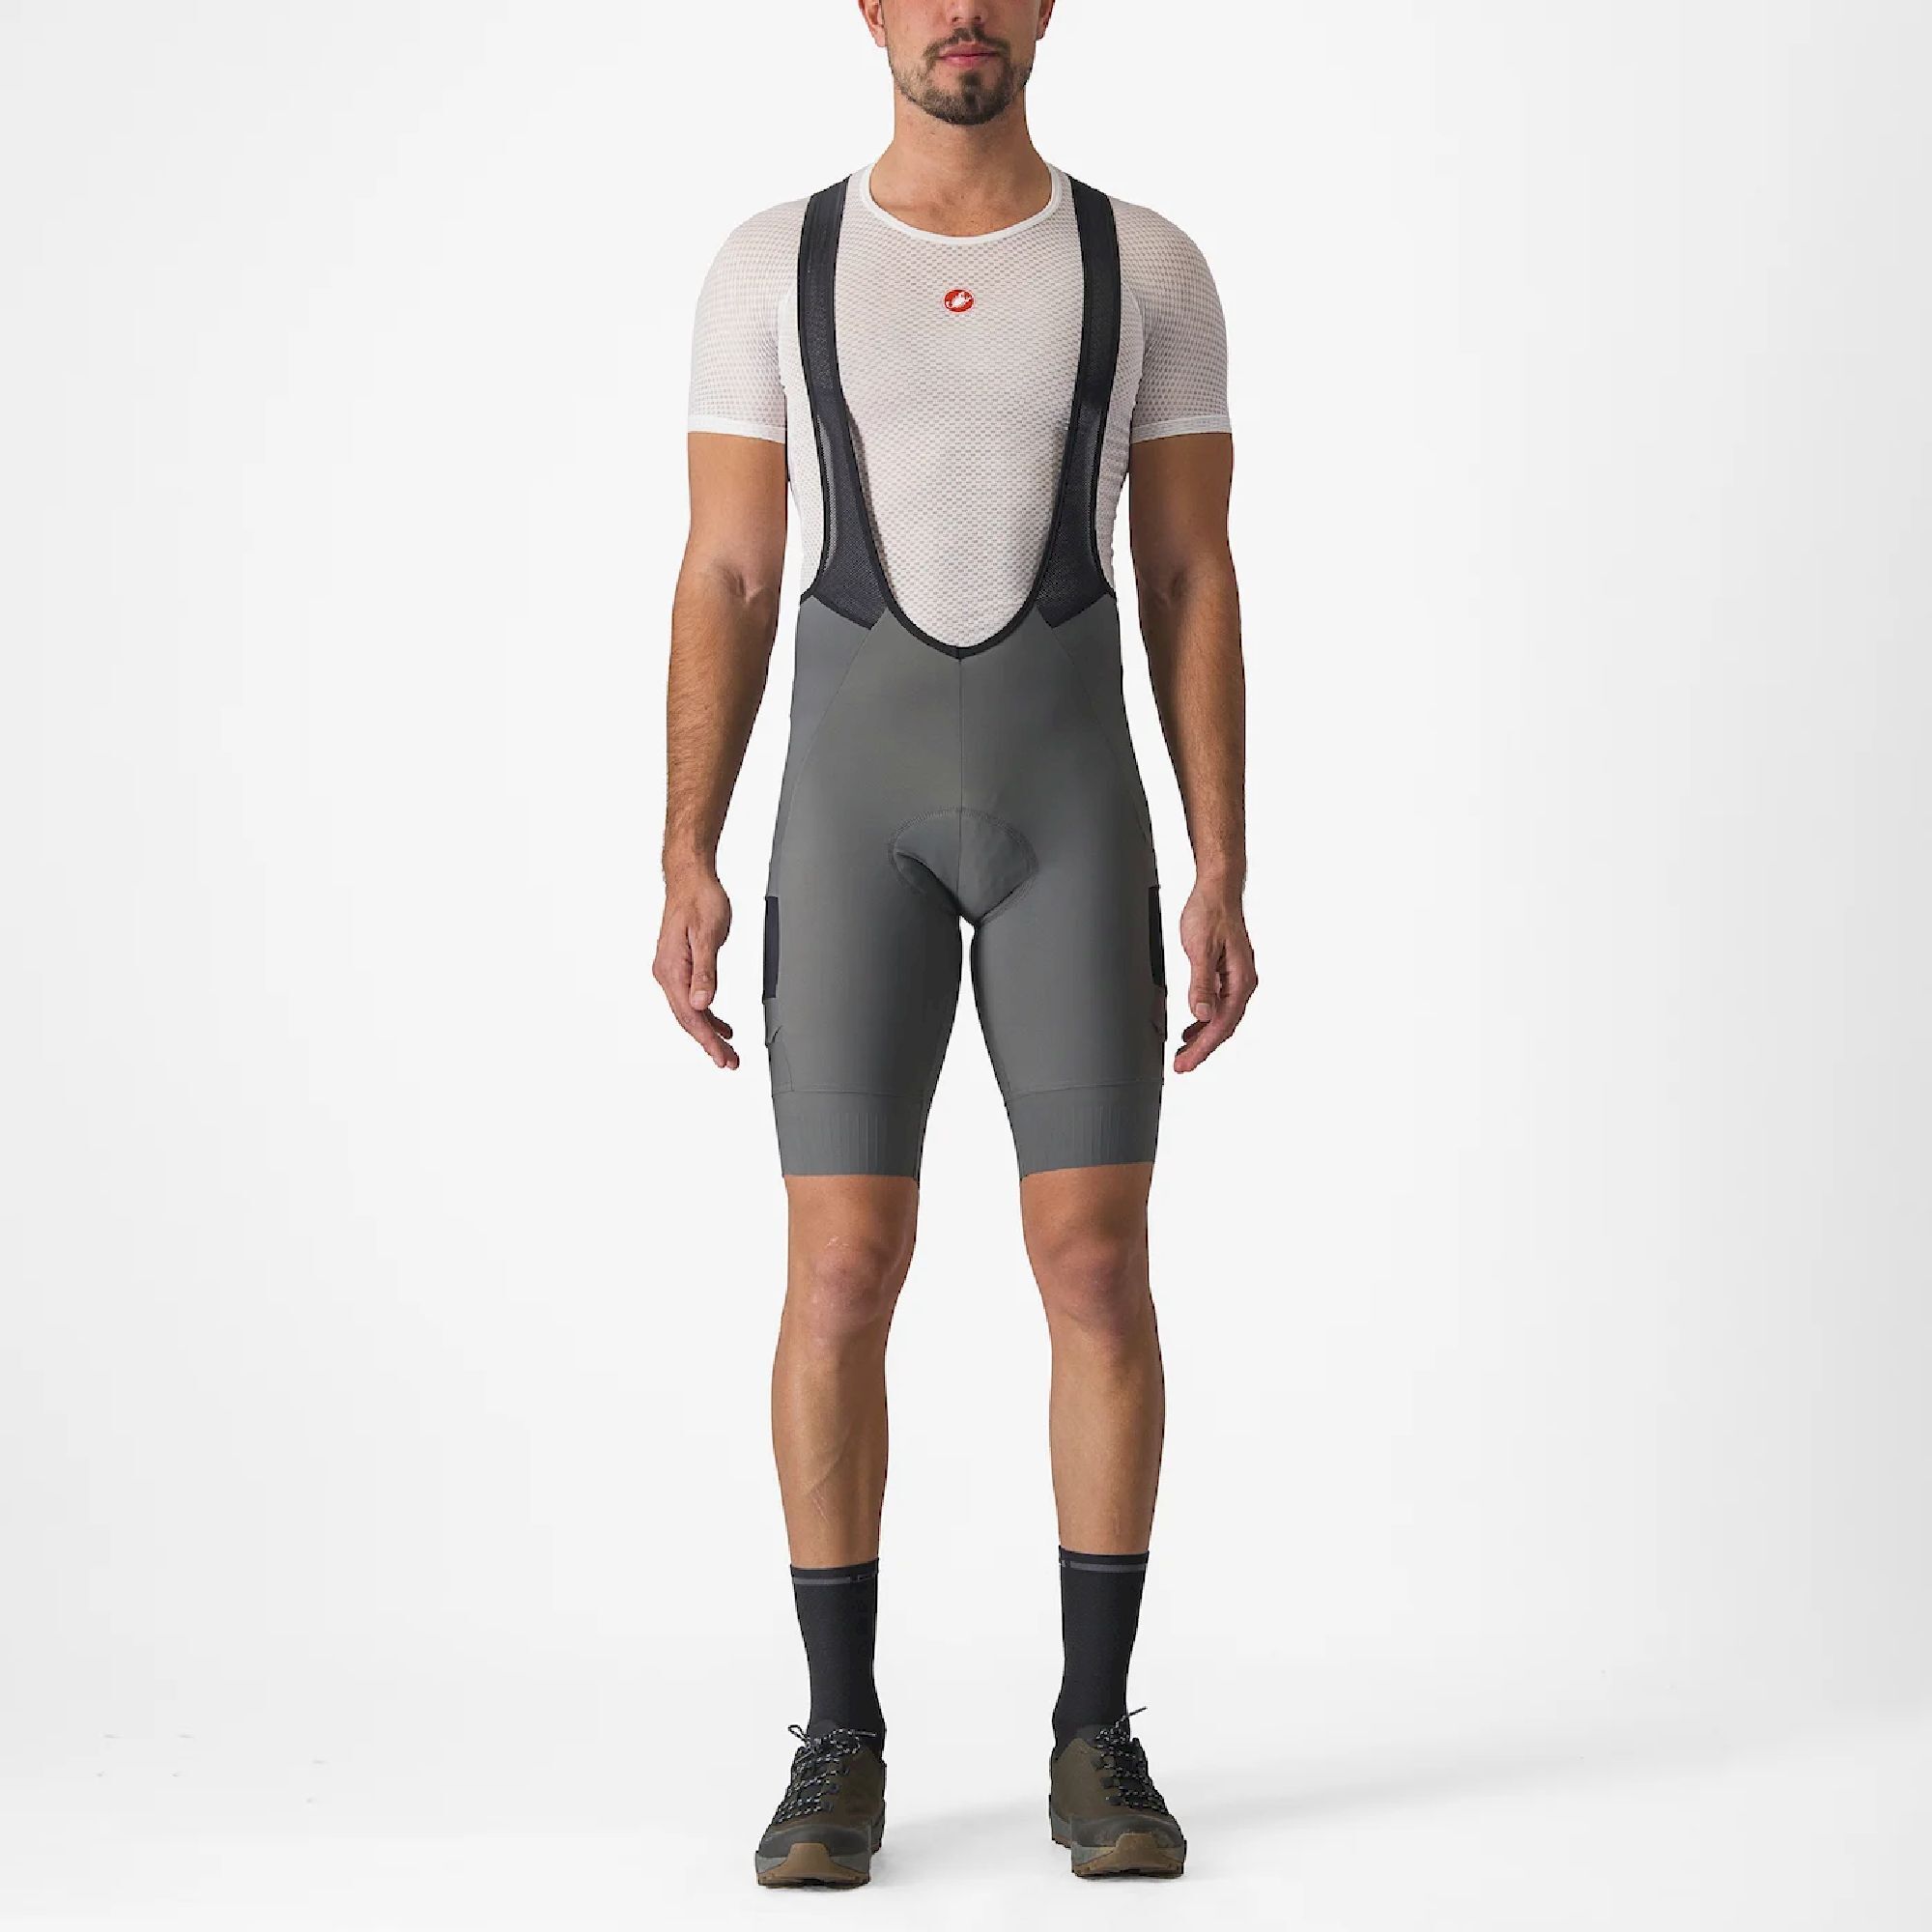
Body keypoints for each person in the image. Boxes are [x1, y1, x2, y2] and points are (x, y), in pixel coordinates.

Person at [659, 0, 1255, 1887]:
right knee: (842, 1267)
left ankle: (1098, 1735)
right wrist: (683, 849)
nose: (963, 13)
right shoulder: (775, 264)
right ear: (870, 10)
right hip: (853, 823)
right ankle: (838, 1738)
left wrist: (1221, 859)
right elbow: (729, 566)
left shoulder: (1146, 265)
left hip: (1076, 814)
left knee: (1095, 1260)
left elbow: (1189, 570)